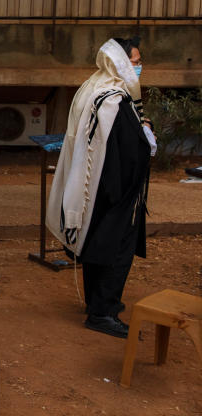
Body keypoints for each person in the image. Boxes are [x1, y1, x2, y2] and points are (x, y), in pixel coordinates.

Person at [46, 36, 155, 339]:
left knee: (98, 245)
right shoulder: (110, 99)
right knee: (116, 250)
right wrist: (146, 138)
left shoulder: (97, 88)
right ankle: (102, 312)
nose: (138, 67)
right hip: (112, 190)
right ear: (119, 62)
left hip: (100, 188)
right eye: (134, 62)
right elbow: (114, 146)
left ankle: (100, 302)